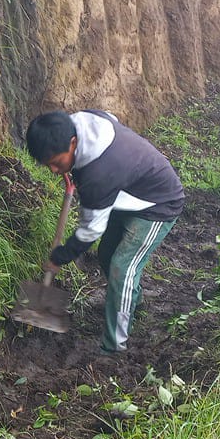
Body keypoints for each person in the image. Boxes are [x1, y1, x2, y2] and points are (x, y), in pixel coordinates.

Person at [24, 109, 185, 354]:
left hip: (158, 203)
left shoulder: (98, 176)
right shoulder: (83, 120)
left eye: (56, 163)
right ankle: (132, 300)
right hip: (125, 191)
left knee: (122, 268)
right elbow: (112, 117)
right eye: (48, 165)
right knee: (106, 254)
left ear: (73, 143)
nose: (54, 170)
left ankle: (114, 346)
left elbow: (91, 230)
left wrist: (61, 256)